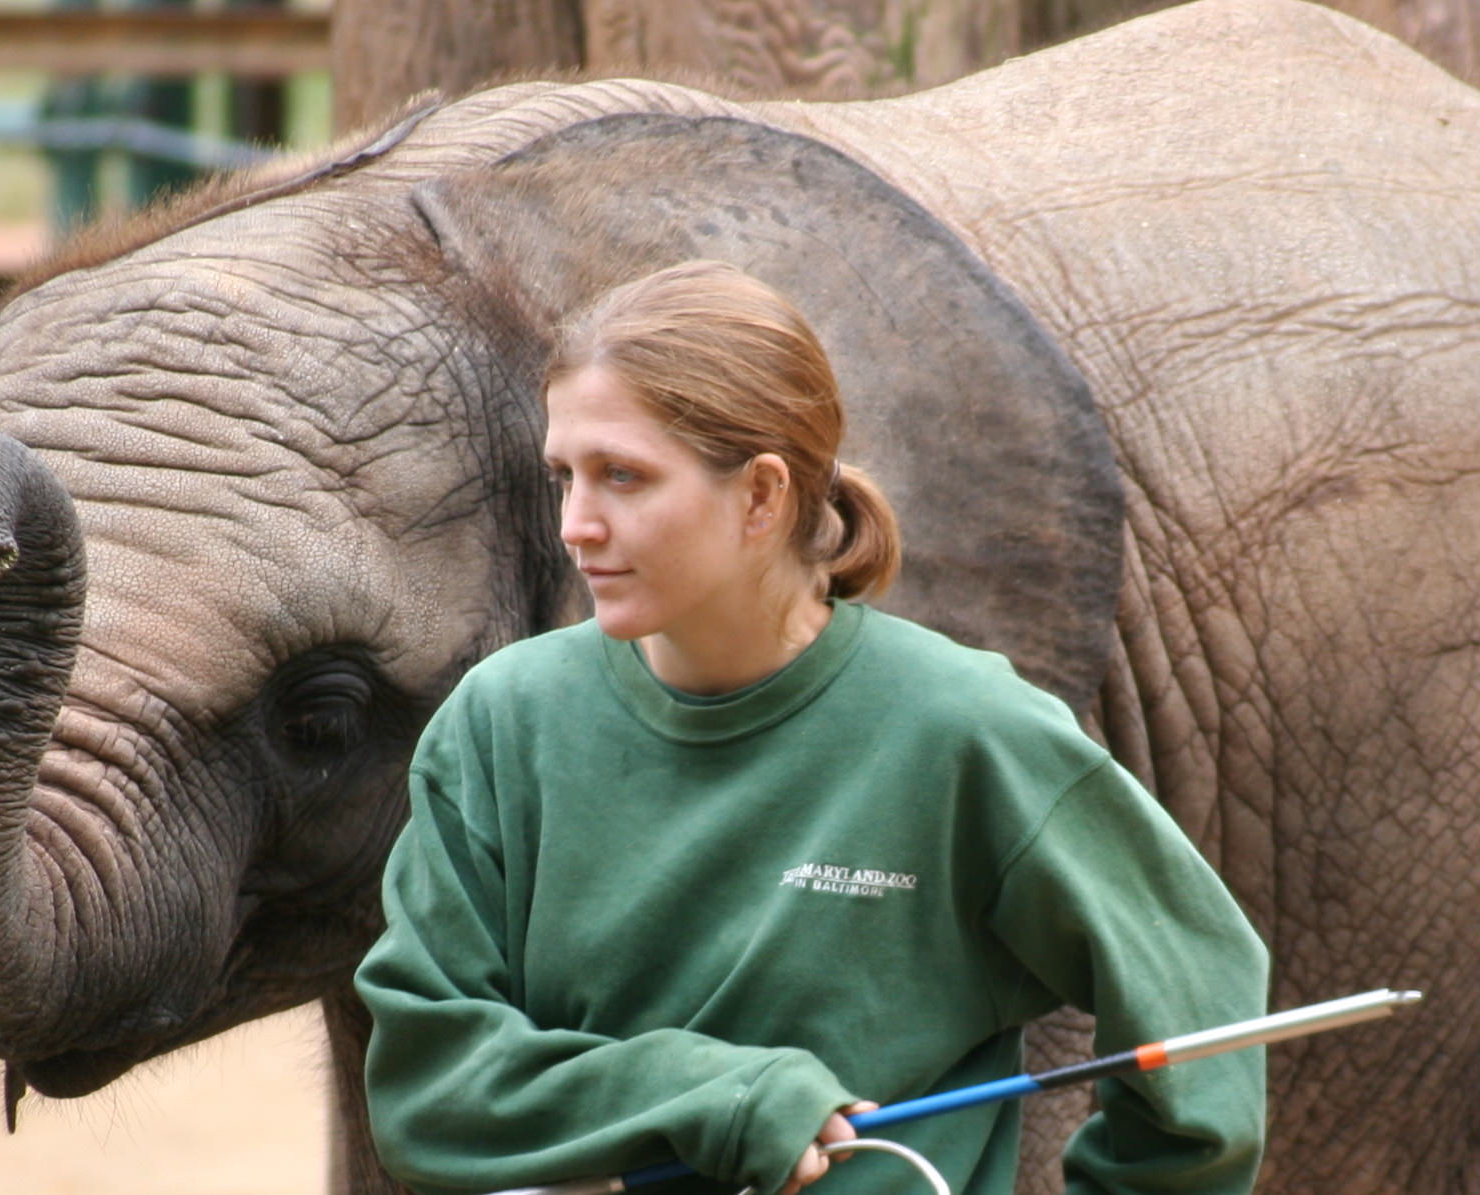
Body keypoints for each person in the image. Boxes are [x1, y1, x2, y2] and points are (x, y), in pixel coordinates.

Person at [354, 260, 1267, 1195]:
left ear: (760, 495)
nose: (577, 524)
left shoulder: (967, 733)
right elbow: (432, 1085)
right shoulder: (501, 722)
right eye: (565, 476)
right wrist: (719, 1095)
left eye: (623, 477)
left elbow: (1202, 1012)